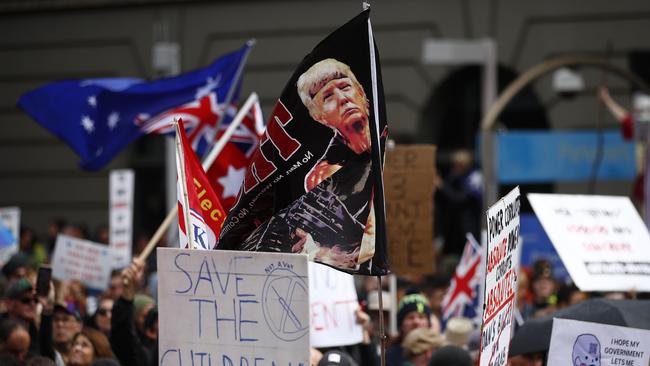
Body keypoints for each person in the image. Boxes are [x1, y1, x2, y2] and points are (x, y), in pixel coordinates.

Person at [111, 258, 157, 366]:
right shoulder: (142, 354)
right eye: (146, 316)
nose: (153, 322)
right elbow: (123, 336)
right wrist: (128, 292)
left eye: (155, 316)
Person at [386, 293, 433, 366]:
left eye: (421, 317)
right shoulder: (389, 356)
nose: (416, 322)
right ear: (401, 324)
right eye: (410, 317)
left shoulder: (439, 353)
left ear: (429, 324)